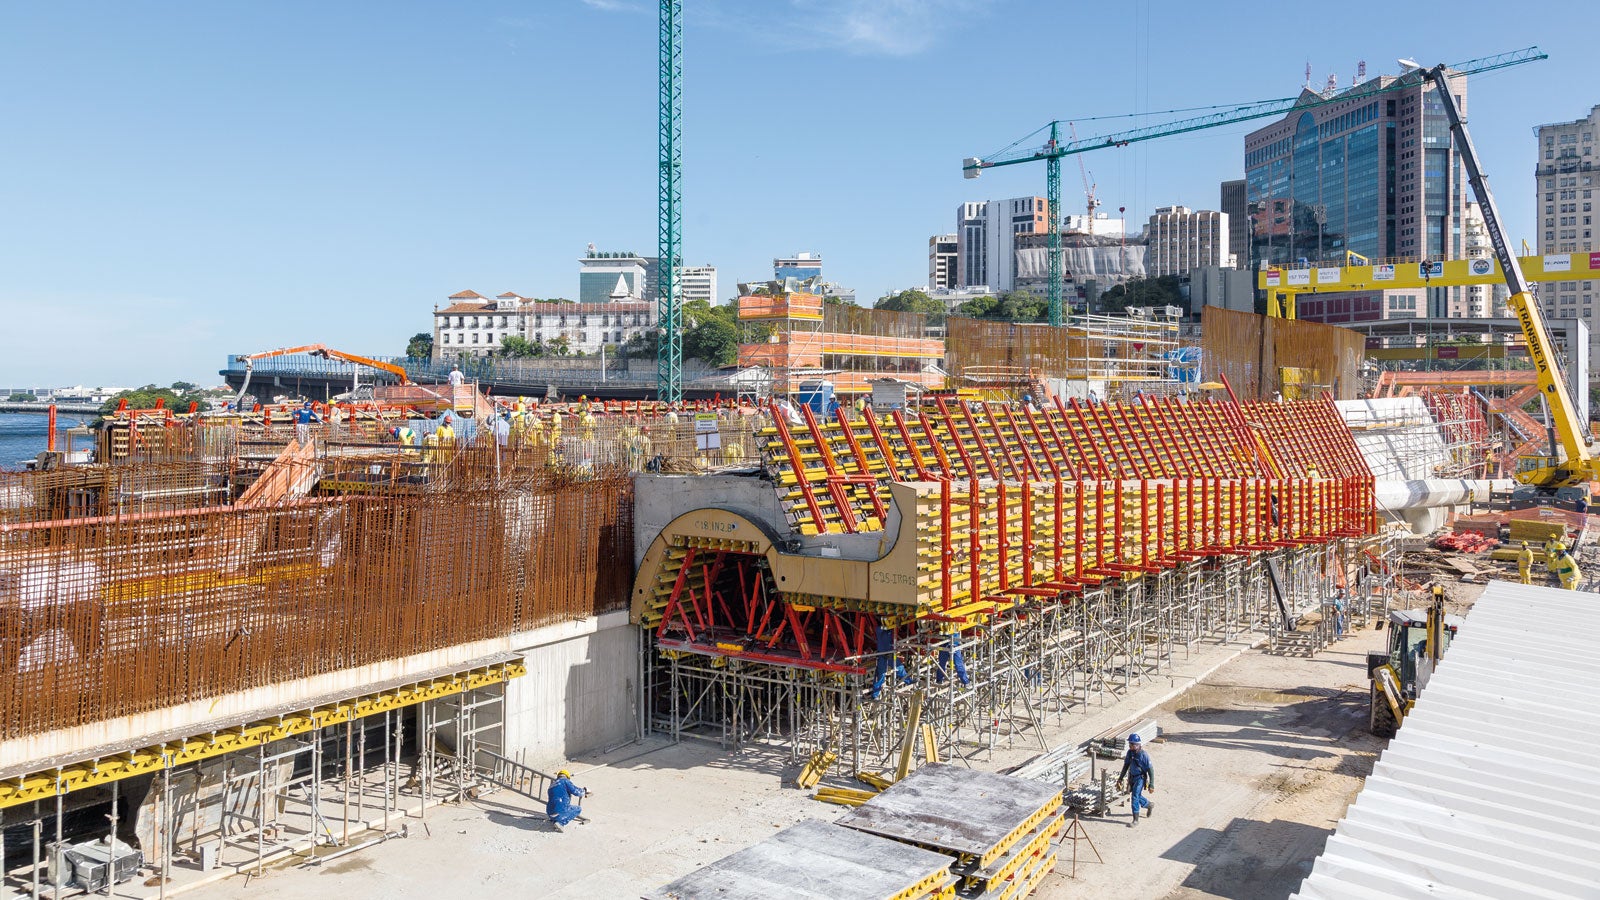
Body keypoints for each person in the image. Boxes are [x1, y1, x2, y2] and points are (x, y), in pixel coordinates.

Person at [1115, 733, 1155, 826]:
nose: (1130, 746)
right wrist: (1120, 779)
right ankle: (1149, 805)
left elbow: (1150, 770)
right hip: (1132, 777)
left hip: (1140, 778)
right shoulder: (1129, 753)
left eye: (1132, 744)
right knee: (1136, 796)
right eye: (1129, 744)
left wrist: (1152, 784)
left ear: (1137, 745)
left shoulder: (1143, 755)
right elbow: (1126, 766)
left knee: (1134, 797)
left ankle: (1135, 820)